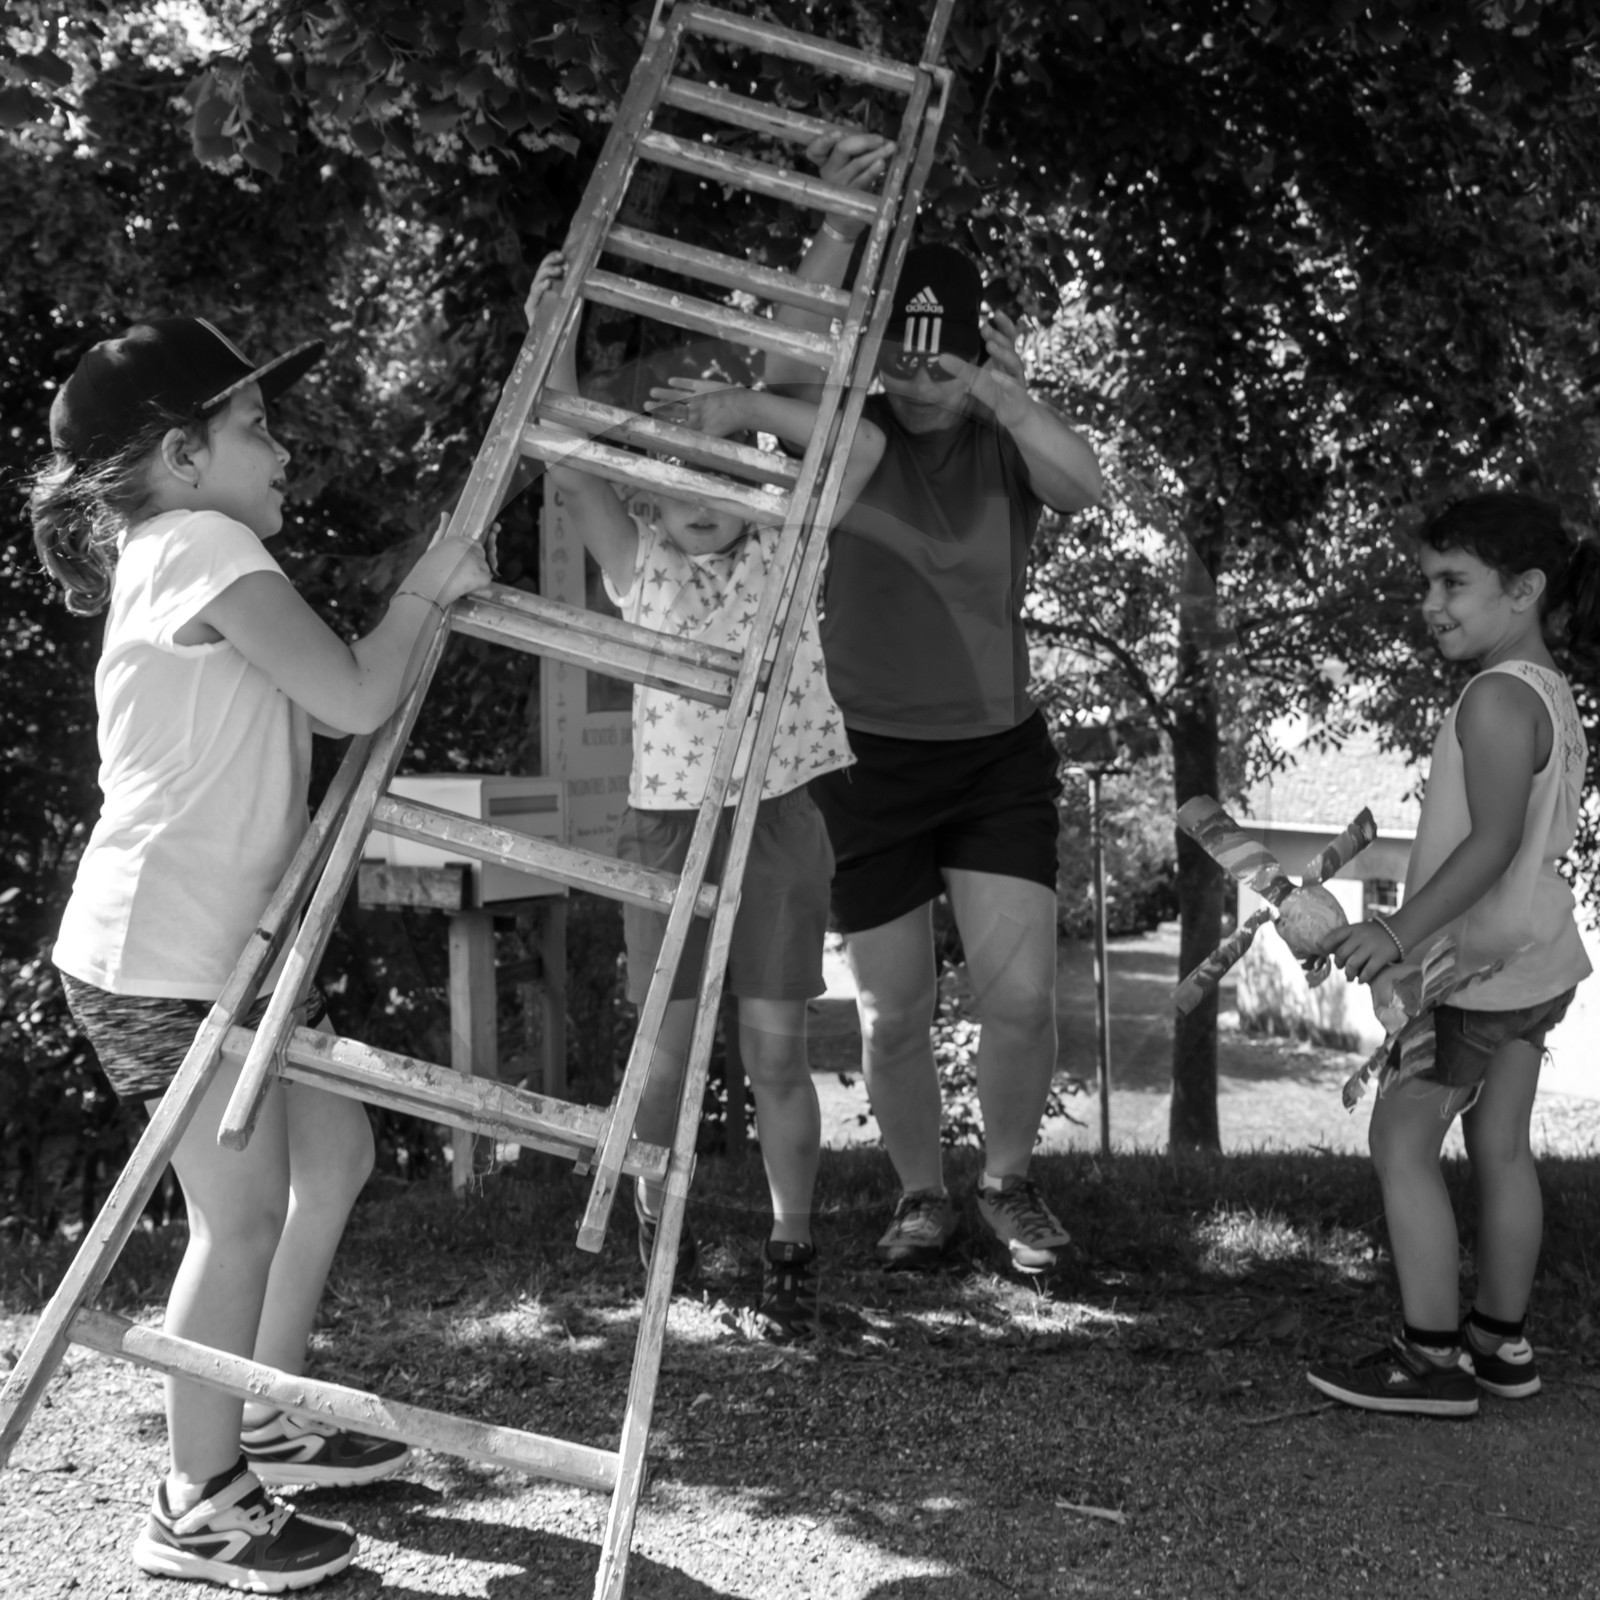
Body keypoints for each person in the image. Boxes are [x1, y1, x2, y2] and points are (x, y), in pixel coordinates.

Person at [32, 317, 493, 1587]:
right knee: (233, 1223)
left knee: (333, 1155)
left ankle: (264, 1411)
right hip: (165, 956)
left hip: (222, 950)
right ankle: (197, 1499)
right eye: (256, 426)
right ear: (180, 456)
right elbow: (353, 695)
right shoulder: (200, 544)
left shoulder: (181, 546)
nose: (282, 447)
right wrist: (431, 583)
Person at [764, 133, 1107, 1276]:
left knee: (1020, 999)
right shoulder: (848, 434)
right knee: (893, 1009)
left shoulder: (1004, 438)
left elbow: (1088, 486)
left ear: (977, 359)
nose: (918, 387)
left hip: (994, 756)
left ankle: (1007, 1182)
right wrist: (837, 223)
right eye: (899, 366)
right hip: (864, 759)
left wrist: (1003, 393)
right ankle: (921, 1195)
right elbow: (775, 378)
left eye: (941, 368)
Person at [527, 251, 884, 1339]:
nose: (701, 496)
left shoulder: (789, 552)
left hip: (773, 825)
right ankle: (657, 1222)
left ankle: (791, 1244)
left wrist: (745, 408)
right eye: (680, 475)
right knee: (665, 1057)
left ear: (754, 483)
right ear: (649, 492)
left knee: (774, 1051)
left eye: (723, 469)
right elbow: (561, 450)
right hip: (670, 830)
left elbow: (864, 446)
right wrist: (553, 327)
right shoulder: (636, 562)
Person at [1309, 491, 1599, 1417]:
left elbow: (1493, 844)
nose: (1431, 602)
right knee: (1502, 1145)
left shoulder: (1495, 698)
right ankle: (1500, 1343)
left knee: (1400, 1140)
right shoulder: (1550, 691)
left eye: (1453, 582)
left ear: (1524, 589)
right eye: (1427, 581)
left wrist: (1395, 932)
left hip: (1474, 974)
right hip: (1535, 962)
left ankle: (1431, 1360)